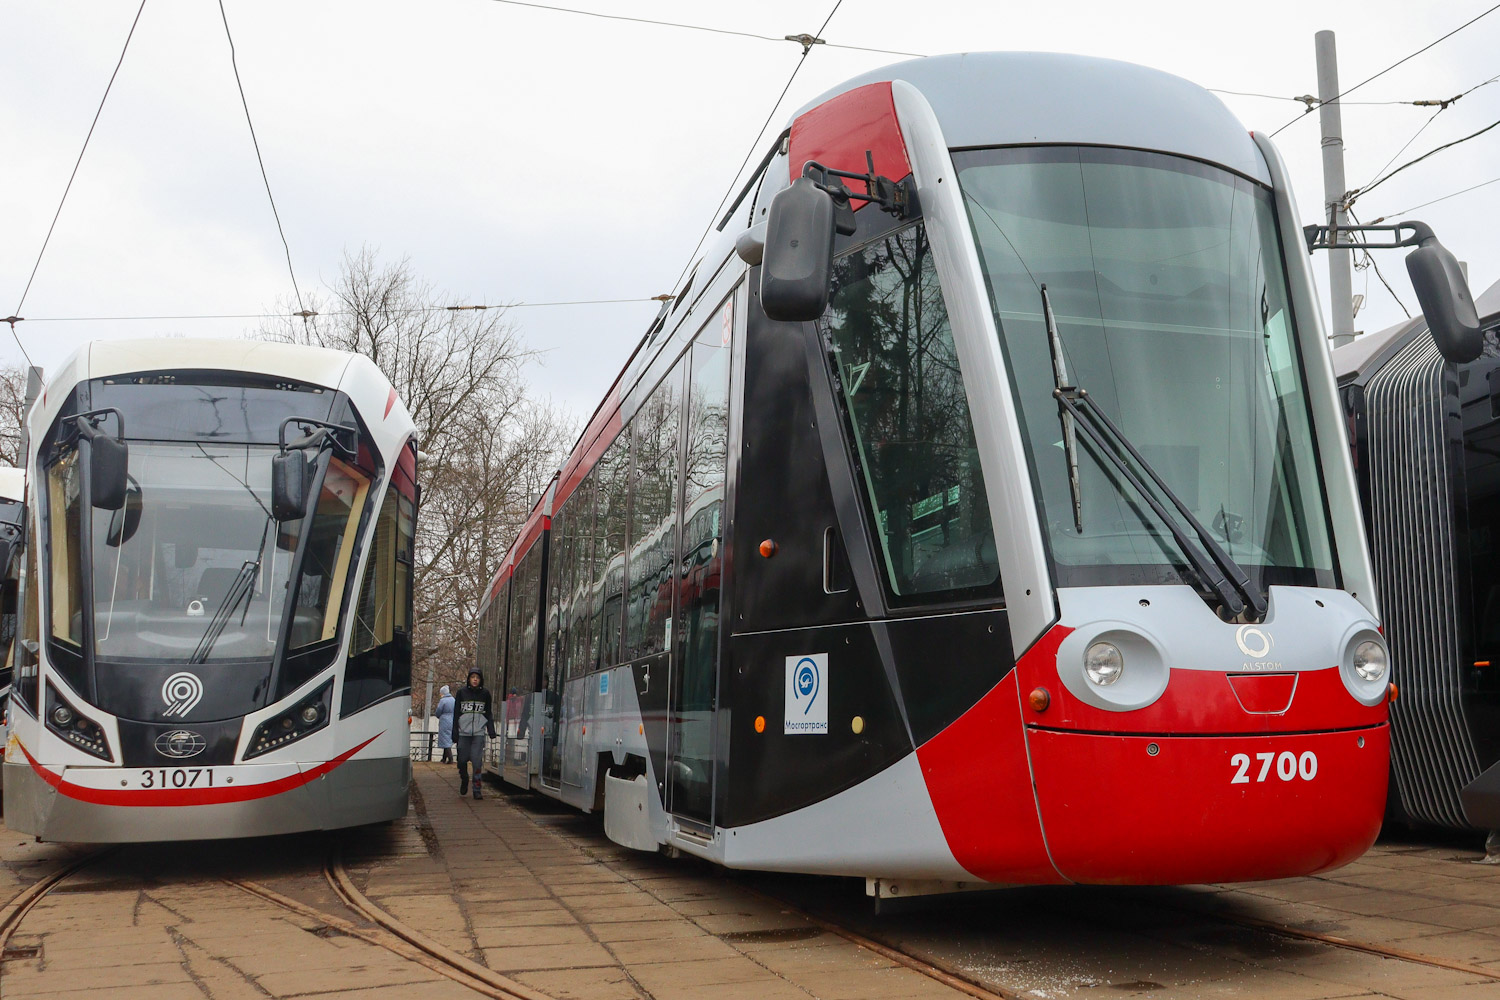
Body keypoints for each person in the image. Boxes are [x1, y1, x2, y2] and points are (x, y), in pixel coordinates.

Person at [455, 669, 496, 799]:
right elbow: (456, 713)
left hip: (478, 732)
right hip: (463, 733)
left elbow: (488, 713)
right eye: (472, 677)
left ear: (480, 680)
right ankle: (464, 778)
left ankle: (477, 789)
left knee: (477, 762)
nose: (475, 679)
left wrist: (491, 730)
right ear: (468, 679)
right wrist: (455, 731)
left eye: (477, 677)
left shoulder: (485, 694)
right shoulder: (461, 693)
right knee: (461, 760)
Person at [435, 685, 455, 764]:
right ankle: (444, 758)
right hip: (452, 720)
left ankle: (450, 758)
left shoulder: (443, 700)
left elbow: (439, 710)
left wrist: (438, 716)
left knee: (445, 739)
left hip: (445, 721)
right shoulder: (453, 699)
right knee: (448, 738)